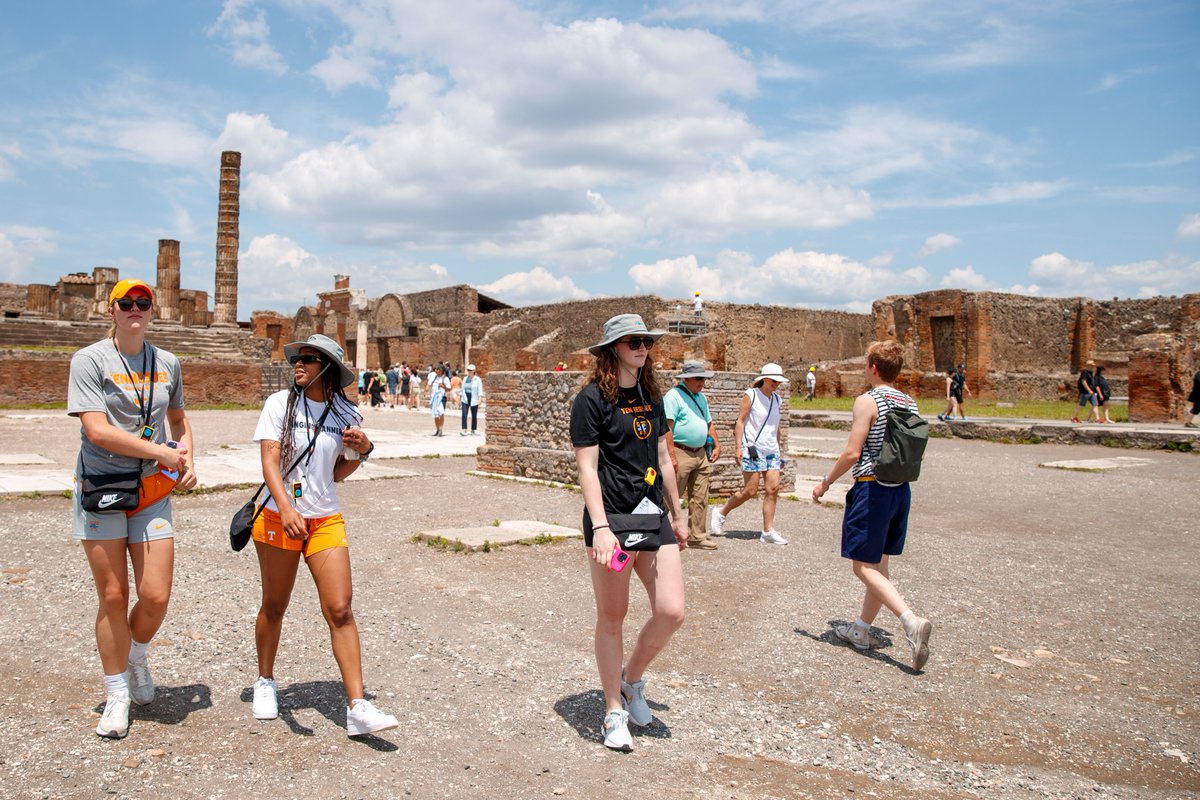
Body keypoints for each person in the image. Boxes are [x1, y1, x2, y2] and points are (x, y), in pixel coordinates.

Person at [250, 333, 399, 737]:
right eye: (298, 357)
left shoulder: (345, 411)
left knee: (340, 609)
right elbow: (268, 460)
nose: (299, 363)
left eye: (310, 359)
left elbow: (338, 470)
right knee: (275, 604)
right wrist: (286, 507)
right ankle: (265, 681)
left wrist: (364, 450)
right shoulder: (279, 405)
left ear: (329, 368)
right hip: (278, 516)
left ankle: (357, 706)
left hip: (324, 518)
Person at [67, 278, 196, 738]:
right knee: (114, 596)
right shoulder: (89, 360)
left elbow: (178, 419)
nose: (135, 309)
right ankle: (117, 692)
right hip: (102, 486)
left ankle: (136, 654)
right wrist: (159, 453)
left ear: (152, 310)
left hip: (151, 492)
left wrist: (186, 457)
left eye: (143, 303)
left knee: (156, 593)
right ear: (112, 310)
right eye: (127, 303)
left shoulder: (167, 362)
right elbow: (97, 431)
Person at [570, 314, 687, 752]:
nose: (643, 348)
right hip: (613, 519)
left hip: (653, 514)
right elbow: (587, 466)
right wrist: (600, 526)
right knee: (613, 617)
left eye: (646, 342)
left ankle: (632, 679)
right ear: (613, 348)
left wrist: (678, 512)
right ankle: (612, 709)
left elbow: (662, 453)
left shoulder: (650, 393)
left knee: (672, 611)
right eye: (634, 341)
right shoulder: (591, 400)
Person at [812, 340, 933, 672]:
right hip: (900, 491)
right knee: (879, 567)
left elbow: (853, 453)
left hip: (872, 489)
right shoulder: (910, 402)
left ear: (873, 367)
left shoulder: (868, 401)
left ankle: (910, 621)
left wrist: (825, 482)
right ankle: (861, 631)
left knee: (862, 567)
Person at [710, 364, 789, 545]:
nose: (777, 384)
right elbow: (741, 421)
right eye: (774, 380)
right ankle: (721, 513)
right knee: (750, 490)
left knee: (773, 489)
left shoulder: (777, 400)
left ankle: (768, 531)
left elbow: (776, 426)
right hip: (753, 448)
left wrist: (779, 448)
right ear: (765, 379)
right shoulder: (751, 395)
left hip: (772, 450)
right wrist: (738, 448)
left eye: (779, 381)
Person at [664, 360, 721, 550]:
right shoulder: (673, 396)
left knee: (700, 496)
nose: (702, 382)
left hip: (700, 453)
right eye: (698, 378)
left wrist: (717, 444)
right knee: (672, 495)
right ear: (686, 378)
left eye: (703, 378)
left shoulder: (701, 397)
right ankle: (660, 531)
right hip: (681, 451)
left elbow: (708, 423)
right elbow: (667, 428)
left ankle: (697, 536)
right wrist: (671, 455)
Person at [460, 364, 483, 436]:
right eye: (468, 370)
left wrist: (480, 398)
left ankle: (473, 430)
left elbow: (480, 389)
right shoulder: (465, 379)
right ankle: (464, 429)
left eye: (470, 370)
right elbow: (462, 388)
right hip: (465, 397)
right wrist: (461, 396)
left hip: (474, 398)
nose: (469, 372)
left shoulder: (478, 379)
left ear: (474, 371)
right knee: (464, 414)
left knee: (474, 415)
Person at [429, 364, 451, 436]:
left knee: (441, 413)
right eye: (436, 369)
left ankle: (441, 429)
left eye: (438, 369)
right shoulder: (434, 378)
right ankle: (437, 429)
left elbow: (449, 389)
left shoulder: (445, 379)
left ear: (441, 371)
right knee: (435, 414)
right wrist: (426, 390)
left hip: (442, 398)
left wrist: (443, 386)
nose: (436, 370)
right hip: (434, 398)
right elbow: (429, 384)